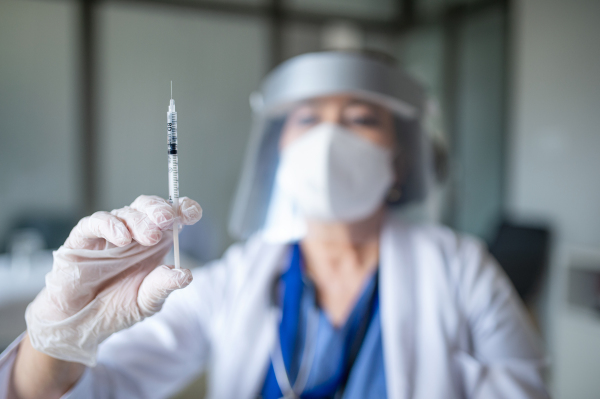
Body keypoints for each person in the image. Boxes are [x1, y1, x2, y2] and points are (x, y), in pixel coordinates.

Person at [1, 51, 548, 399]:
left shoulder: (461, 269)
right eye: (308, 118)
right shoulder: (237, 276)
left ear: (402, 158)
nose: (329, 139)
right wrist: (58, 335)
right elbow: (97, 390)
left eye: (360, 118)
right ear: (280, 148)